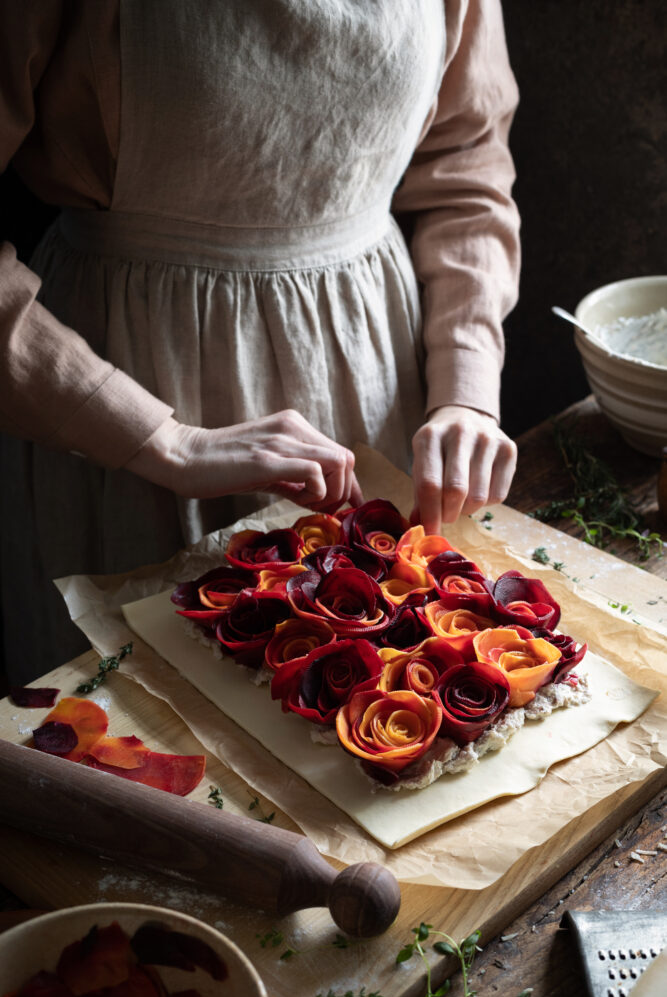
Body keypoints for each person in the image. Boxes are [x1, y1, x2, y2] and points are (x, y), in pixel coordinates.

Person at [0, 0, 520, 684]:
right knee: (141, 732)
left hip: (377, 377)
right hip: (114, 395)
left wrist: (465, 387)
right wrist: (160, 439)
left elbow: (466, 162)